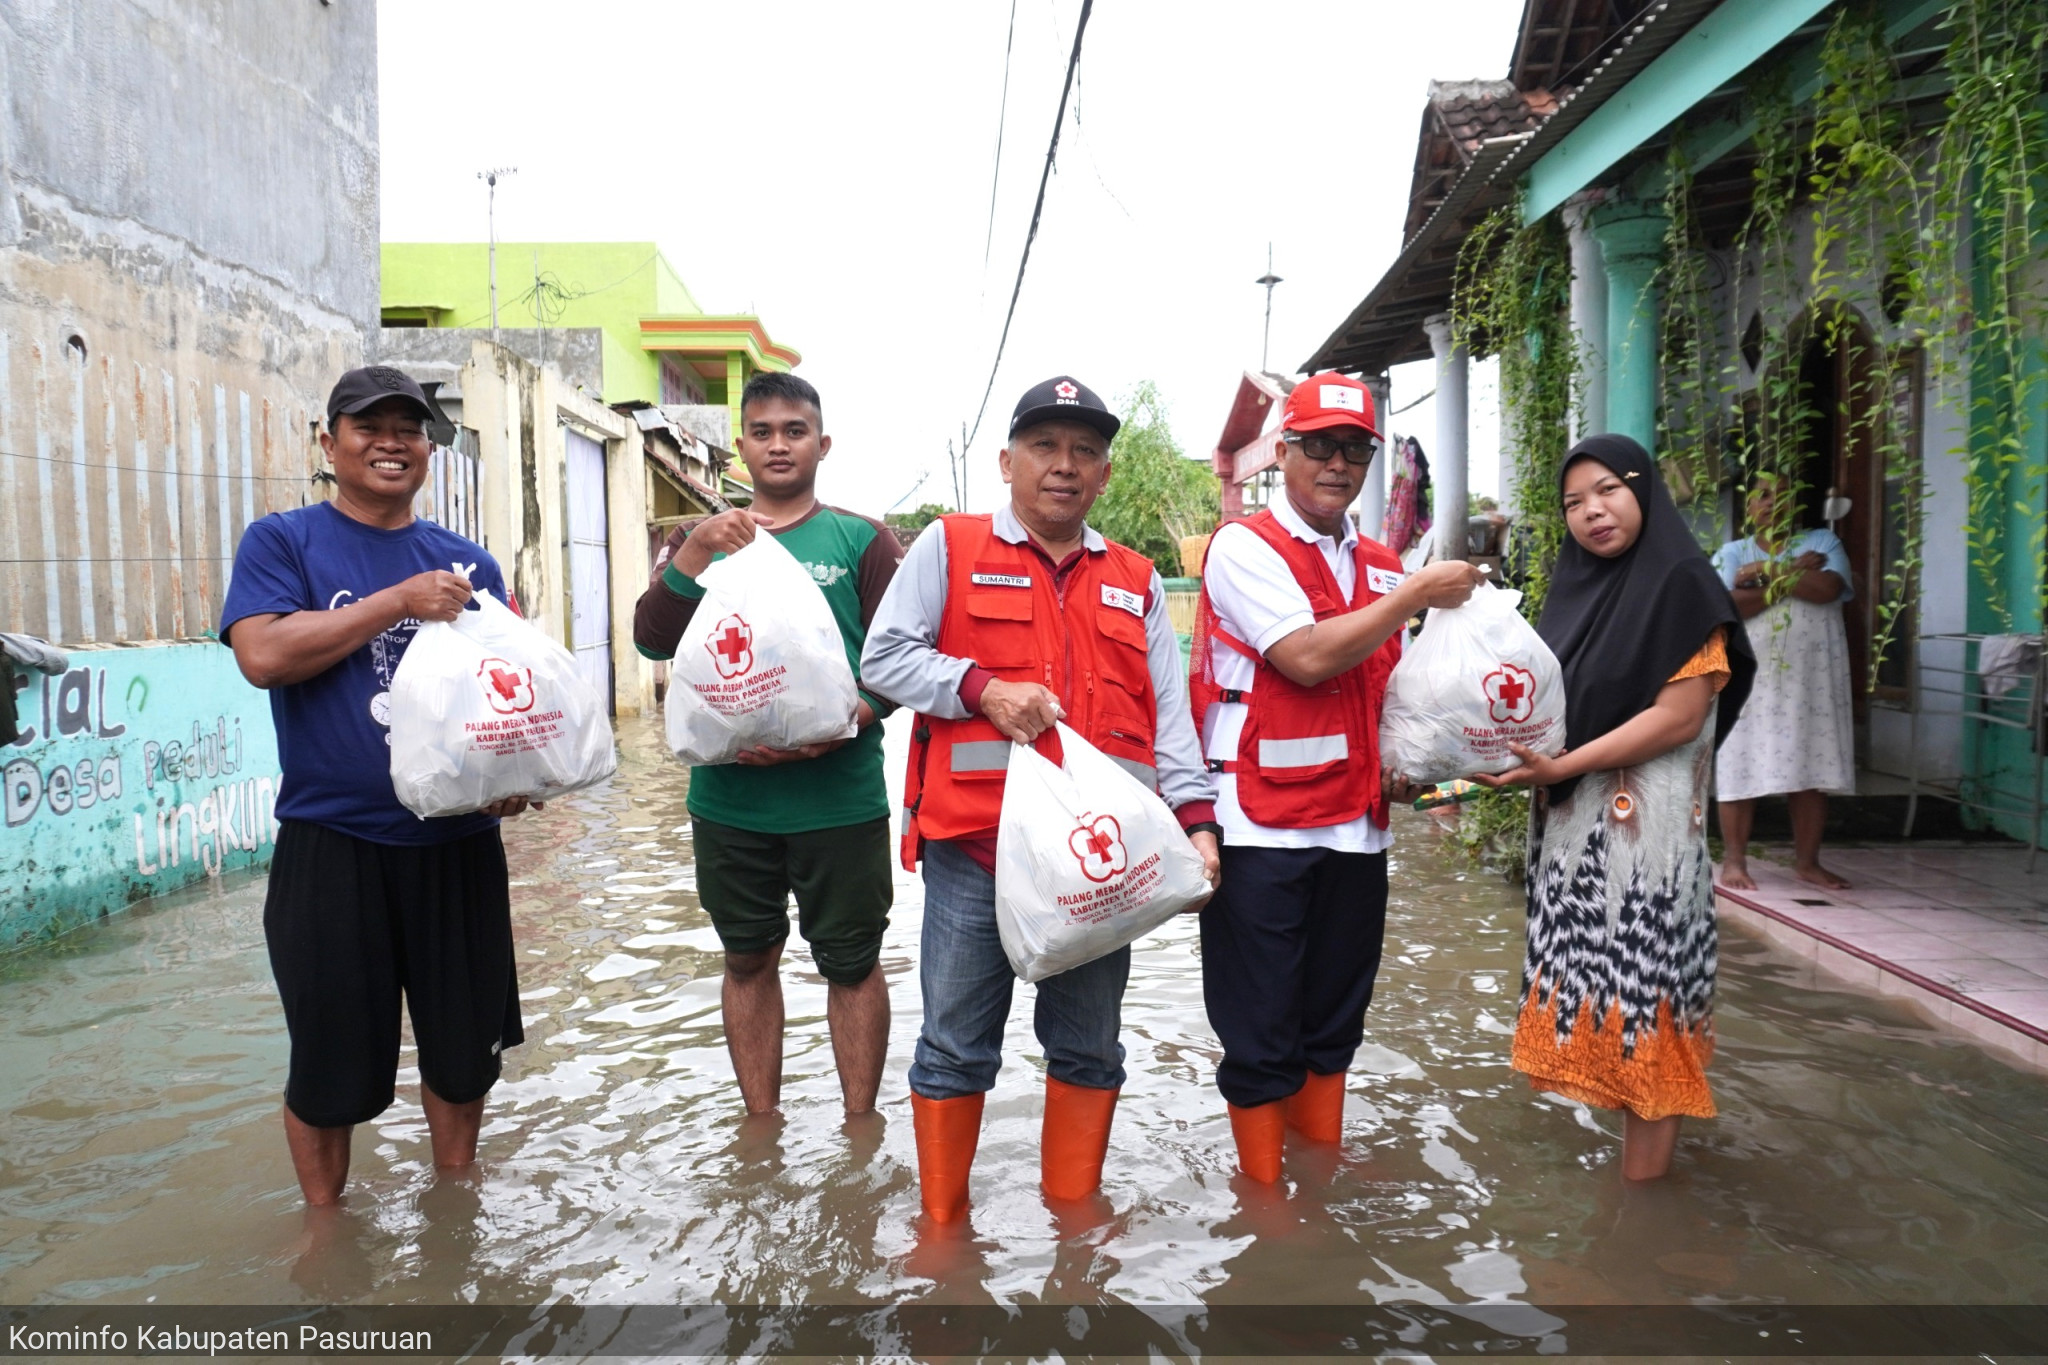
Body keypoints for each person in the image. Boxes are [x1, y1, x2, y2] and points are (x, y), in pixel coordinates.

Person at [861, 375, 1222, 1222]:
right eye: (1045, 448)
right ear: (1007, 462)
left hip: (1103, 866)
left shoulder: (1135, 578)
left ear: (1101, 475)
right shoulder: (947, 547)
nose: (1064, 466)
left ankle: (1074, 1228)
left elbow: (1170, 722)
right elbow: (883, 659)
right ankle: (943, 1238)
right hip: (975, 854)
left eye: (1085, 452)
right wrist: (979, 687)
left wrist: (1199, 826)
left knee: (1091, 1049)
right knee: (953, 1049)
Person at [222, 366, 538, 1206]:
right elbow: (263, 656)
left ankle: (454, 1207)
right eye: (370, 425)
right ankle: (326, 1235)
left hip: (458, 846)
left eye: (411, 426)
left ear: (428, 449)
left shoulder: (469, 564)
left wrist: (514, 778)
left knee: (463, 1054)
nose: (392, 440)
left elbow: (503, 696)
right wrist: (398, 600)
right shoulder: (281, 541)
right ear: (330, 443)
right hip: (332, 845)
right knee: (330, 1067)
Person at [1189, 372, 1484, 1183]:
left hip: (1357, 827)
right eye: (1317, 444)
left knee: (1334, 1021)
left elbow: (1394, 692)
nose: (1337, 463)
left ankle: (1317, 1177)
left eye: (1354, 448)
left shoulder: (1383, 562)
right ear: (1281, 452)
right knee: (1260, 1030)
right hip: (1260, 829)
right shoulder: (1245, 547)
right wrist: (1421, 591)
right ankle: (1266, 1205)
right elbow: (1308, 657)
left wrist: (1425, 764)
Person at [1473, 434, 1754, 1182]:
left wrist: (1561, 763)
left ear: (1645, 490)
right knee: (1610, 1010)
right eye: (1573, 501)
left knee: (1647, 1010)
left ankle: (1645, 1205)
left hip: (1650, 851)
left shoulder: (1684, 584)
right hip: (1578, 846)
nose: (1592, 511)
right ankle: (1640, 1201)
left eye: (1608, 489)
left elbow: (1679, 715)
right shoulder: (1574, 593)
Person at [633, 372, 903, 1119]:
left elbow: (903, 662)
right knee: (747, 958)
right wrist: (692, 552)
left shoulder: (861, 539)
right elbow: (651, 637)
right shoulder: (706, 540)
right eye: (762, 431)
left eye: (794, 430)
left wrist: (846, 723)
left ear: (822, 442)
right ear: (741, 445)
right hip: (730, 802)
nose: (778, 444)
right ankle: (762, 1127)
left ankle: (859, 1126)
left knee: (851, 964)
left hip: (839, 801)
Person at [1710, 471, 1855, 891]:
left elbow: (1828, 588)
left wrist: (1763, 571)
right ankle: (1735, 861)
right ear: (1749, 506)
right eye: (1764, 495)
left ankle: (1808, 863)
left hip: (1811, 677)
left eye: (1784, 495)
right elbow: (1731, 605)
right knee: (1740, 759)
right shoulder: (1731, 551)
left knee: (1811, 760)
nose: (1773, 502)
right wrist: (1792, 572)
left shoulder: (1824, 543)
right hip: (1751, 674)